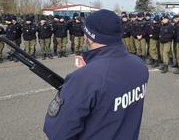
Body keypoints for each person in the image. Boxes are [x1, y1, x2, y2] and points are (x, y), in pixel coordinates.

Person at [44, 9, 149, 140]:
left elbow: (58, 132)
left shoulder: (87, 77)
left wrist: (86, 76)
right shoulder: (139, 65)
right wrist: (93, 69)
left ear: (90, 36)